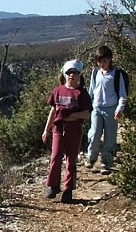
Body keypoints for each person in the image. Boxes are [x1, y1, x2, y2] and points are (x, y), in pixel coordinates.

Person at [42, 59, 92, 203]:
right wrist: (46, 130)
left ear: (79, 75)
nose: (71, 75)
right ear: (65, 74)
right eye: (69, 72)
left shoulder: (81, 93)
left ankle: (68, 190)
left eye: (74, 73)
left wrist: (71, 116)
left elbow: (86, 113)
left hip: (74, 130)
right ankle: (53, 186)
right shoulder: (58, 91)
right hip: (58, 129)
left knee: (71, 161)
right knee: (55, 157)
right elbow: (53, 111)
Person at [85, 45, 127, 175]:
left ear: (109, 59)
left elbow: (122, 93)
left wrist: (120, 108)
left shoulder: (117, 74)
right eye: (99, 61)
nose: (101, 64)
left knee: (110, 137)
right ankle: (91, 157)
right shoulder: (95, 73)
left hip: (111, 109)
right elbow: (91, 91)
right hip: (97, 108)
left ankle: (106, 162)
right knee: (95, 133)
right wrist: (86, 106)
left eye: (104, 61)